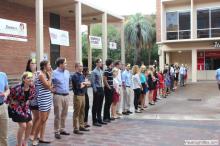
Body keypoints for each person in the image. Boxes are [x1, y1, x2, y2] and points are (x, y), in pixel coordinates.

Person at [7, 72, 36, 146]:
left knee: (30, 124)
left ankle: (25, 142)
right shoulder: (17, 88)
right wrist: (12, 104)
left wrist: (28, 101)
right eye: (28, 78)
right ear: (23, 79)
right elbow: (9, 97)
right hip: (16, 107)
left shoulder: (32, 87)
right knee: (23, 126)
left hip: (25, 107)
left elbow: (32, 96)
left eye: (31, 78)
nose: (30, 79)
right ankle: (19, 144)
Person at [32, 60, 53, 146]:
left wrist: (49, 84)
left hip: (48, 97)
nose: (50, 66)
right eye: (49, 64)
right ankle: (34, 138)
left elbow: (49, 86)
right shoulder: (41, 74)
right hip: (43, 99)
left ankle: (42, 138)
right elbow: (48, 85)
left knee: (45, 120)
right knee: (42, 120)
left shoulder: (45, 74)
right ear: (44, 66)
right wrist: (51, 77)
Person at [52, 58, 70, 139]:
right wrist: (52, 89)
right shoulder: (54, 73)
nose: (66, 64)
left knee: (64, 114)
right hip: (58, 95)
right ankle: (56, 131)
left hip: (67, 95)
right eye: (65, 63)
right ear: (60, 64)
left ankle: (62, 129)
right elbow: (50, 84)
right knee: (57, 115)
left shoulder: (67, 72)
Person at [72, 63, 90, 134]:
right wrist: (85, 83)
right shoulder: (75, 76)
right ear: (76, 67)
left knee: (82, 111)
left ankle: (81, 126)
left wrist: (84, 83)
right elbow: (80, 86)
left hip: (83, 95)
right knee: (77, 112)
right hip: (78, 95)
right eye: (80, 66)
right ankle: (75, 128)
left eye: (82, 66)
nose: (82, 67)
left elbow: (89, 83)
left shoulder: (82, 75)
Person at [25, 58, 41, 141]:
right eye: (31, 63)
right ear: (28, 64)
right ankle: (31, 133)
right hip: (32, 98)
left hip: (39, 97)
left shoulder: (38, 73)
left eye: (34, 63)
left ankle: (35, 132)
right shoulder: (27, 73)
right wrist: (35, 76)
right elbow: (30, 84)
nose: (33, 65)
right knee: (36, 116)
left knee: (38, 117)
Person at [91, 59, 105, 127]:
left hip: (101, 88)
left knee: (100, 104)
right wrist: (95, 90)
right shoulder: (94, 71)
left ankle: (99, 119)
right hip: (97, 89)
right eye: (99, 62)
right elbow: (93, 82)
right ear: (96, 63)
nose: (101, 63)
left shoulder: (101, 71)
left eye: (101, 62)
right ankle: (94, 120)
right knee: (95, 105)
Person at [0, 71, 10, 146]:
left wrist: (6, 94)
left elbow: (7, 89)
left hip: (2, 106)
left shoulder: (3, 75)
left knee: (4, 133)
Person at [103, 59, 114, 123]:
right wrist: (109, 87)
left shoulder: (111, 70)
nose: (113, 64)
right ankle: (105, 117)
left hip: (111, 88)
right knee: (107, 103)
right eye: (112, 63)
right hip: (108, 89)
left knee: (109, 102)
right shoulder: (106, 70)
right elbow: (104, 79)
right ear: (110, 63)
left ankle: (108, 116)